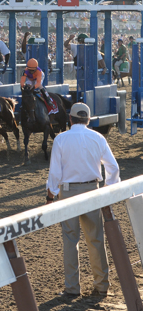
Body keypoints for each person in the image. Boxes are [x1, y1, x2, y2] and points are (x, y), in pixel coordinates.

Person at [46, 102, 120, 299]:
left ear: (70, 119)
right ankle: (102, 285)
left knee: (70, 240)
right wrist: (108, 190)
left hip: (68, 192)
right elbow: (113, 168)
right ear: (88, 120)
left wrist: (50, 195)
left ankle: (72, 288)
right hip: (92, 191)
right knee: (96, 239)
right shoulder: (98, 138)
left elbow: (55, 172)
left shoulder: (61, 139)